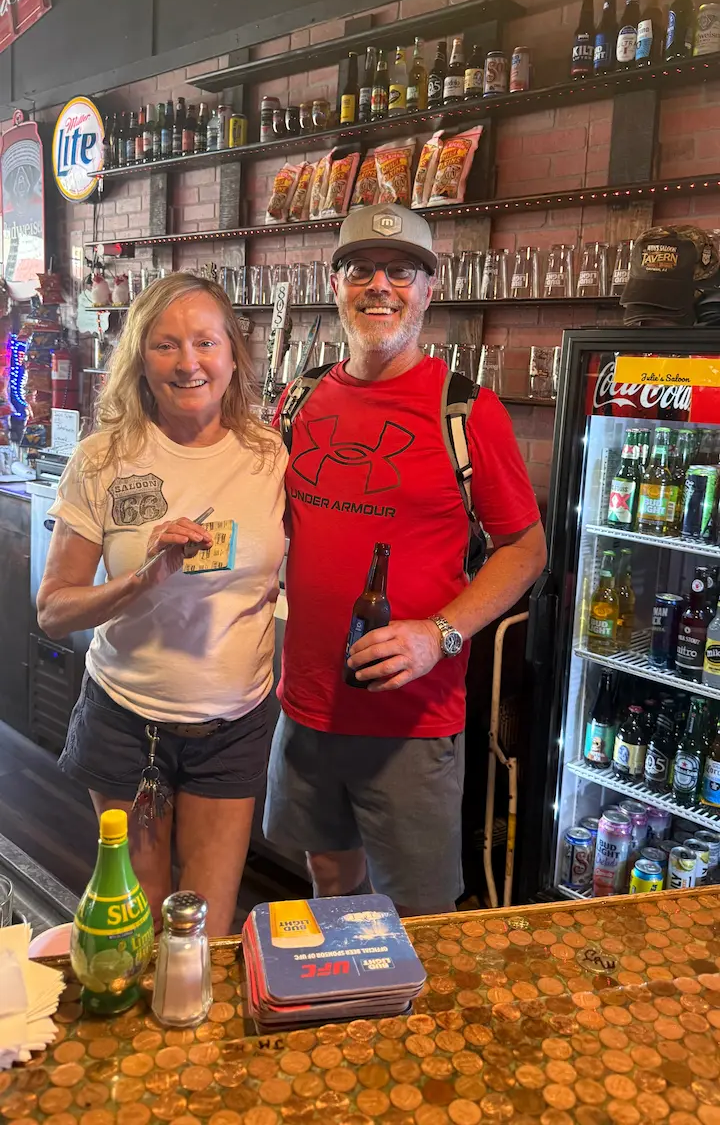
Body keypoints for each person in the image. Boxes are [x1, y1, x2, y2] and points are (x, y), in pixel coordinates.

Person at [264, 203, 546, 916]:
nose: (379, 285)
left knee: (418, 918)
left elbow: (526, 549)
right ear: (335, 283)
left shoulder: (467, 411)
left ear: (427, 288)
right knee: (329, 885)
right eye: (360, 268)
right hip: (306, 708)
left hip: (412, 722)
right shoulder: (299, 401)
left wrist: (439, 634)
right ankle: (342, 1024)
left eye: (400, 271)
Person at [37, 274, 287, 934]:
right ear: (139, 358)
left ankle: (193, 1038)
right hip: (126, 723)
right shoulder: (103, 461)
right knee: (138, 918)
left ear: (233, 355)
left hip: (232, 726)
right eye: (165, 344)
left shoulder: (270, 458)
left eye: (205, 342)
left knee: (204, 926)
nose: (188, 362)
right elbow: (54, 609)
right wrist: (140, 581)